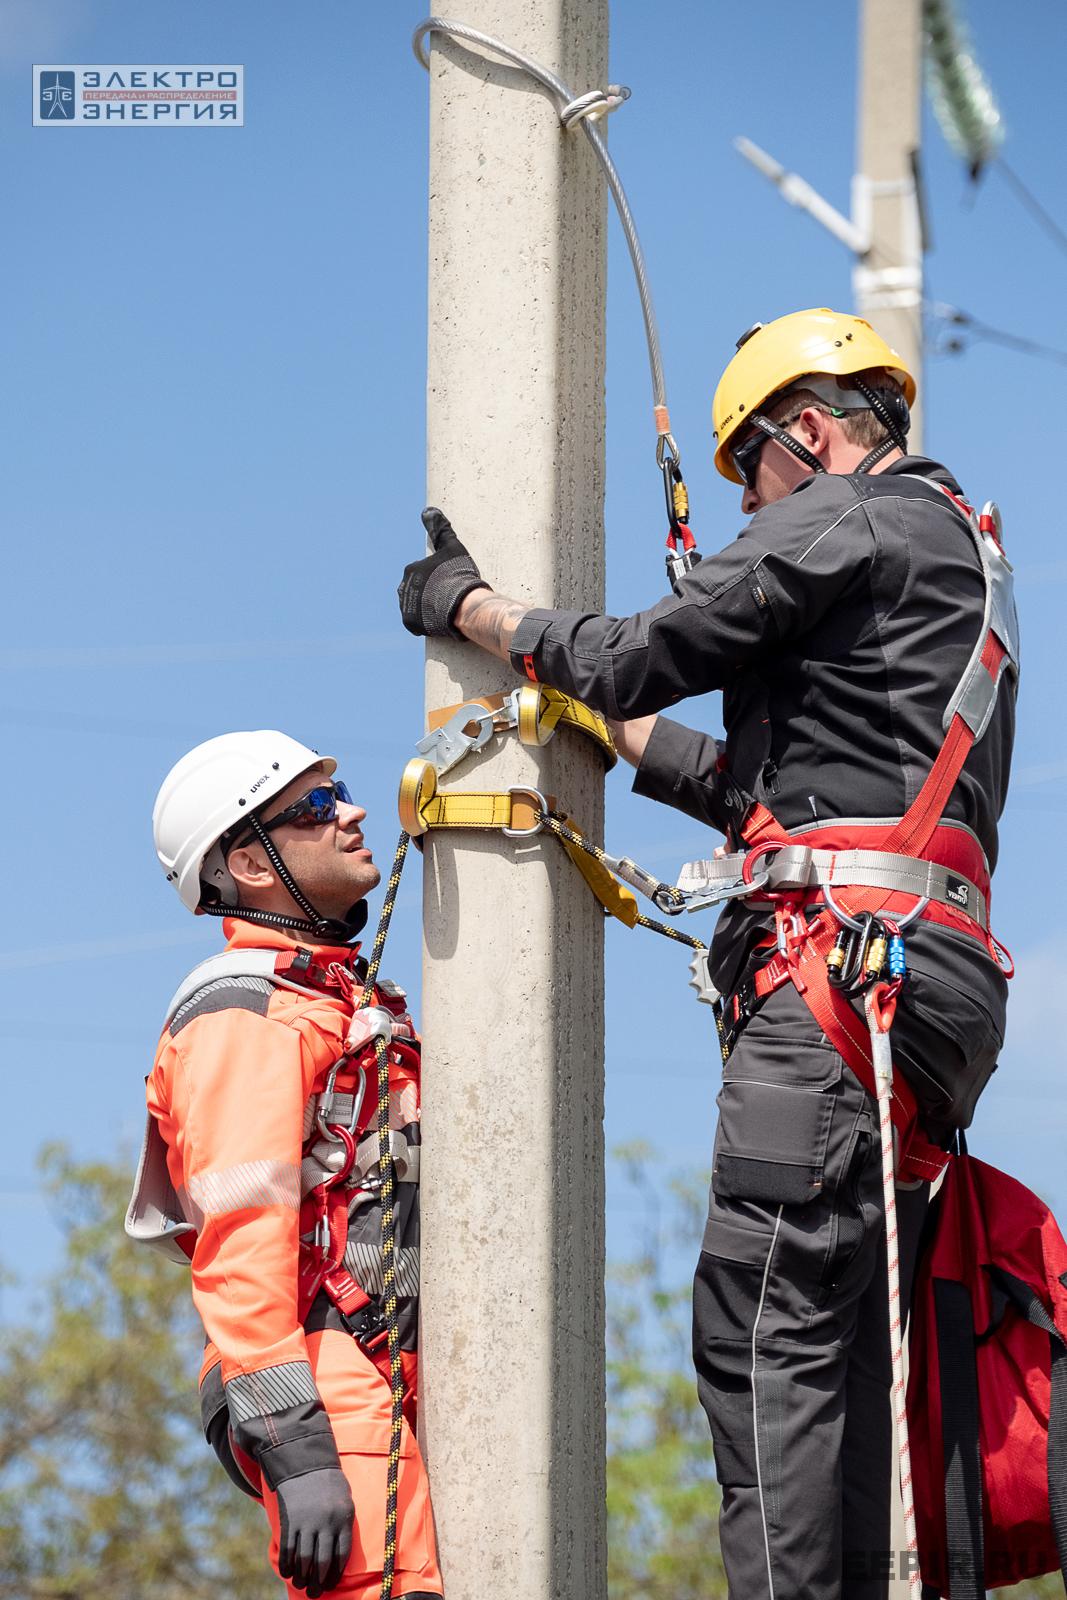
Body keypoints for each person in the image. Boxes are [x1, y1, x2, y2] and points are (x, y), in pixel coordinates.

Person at [396, 307, 1017, 1599]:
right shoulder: (949, 555)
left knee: (758, 1334)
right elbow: (753, 783)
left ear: (801, 433)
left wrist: (474, 608)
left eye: (750, 487)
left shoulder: (841, 514)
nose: (749, 521)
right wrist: (590, 722)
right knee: (839, 1347)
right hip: (922, 980)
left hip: (836, 977)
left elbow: (636, 656)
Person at [129, 731, 442, 1600]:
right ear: (250, 864)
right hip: (320, 1374)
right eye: (311, 808)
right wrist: (298, 1450)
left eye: (335, 794)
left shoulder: (336, 1003)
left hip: (392, 1368)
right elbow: (242, 1239)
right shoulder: (245, 1013)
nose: (352, 812)